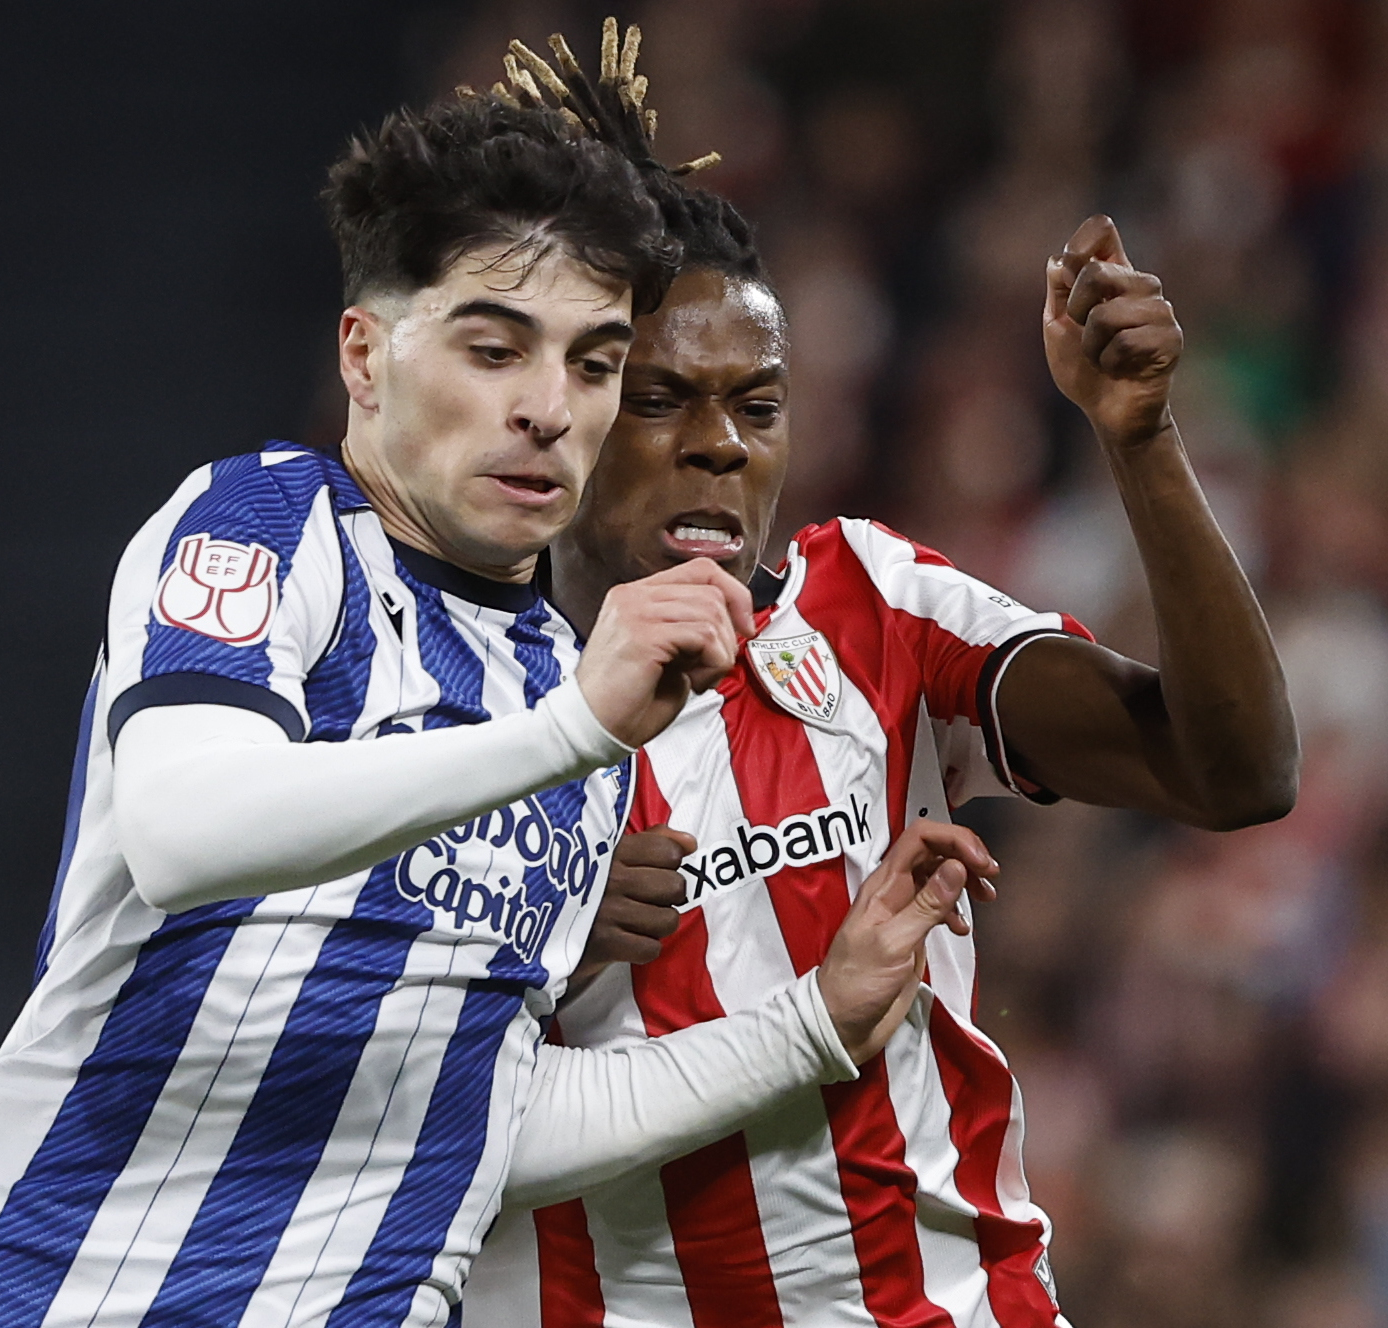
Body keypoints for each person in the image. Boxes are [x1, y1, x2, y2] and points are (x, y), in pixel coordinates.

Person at [0, 91, 993, 1328]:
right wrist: (565, 737)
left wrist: (810, 1019)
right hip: (57, 1293)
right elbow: (187, 830)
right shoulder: (266, 527)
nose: (549, 407)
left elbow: (478, 1112)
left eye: (594, 363)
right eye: (493, 350)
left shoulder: (573, 691)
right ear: (364, 354)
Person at [463, 27, 1299, 1328]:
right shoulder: (435, 703)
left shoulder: (871, 604)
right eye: (661, 398)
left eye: (760, 403)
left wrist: (1140, 443)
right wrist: (529, 964)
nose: (720, 449)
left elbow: (1235, 770)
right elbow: (338, 1109)